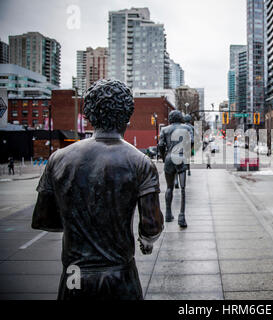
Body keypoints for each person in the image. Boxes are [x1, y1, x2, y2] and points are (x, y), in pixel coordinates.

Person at [32, 80, 164, 300]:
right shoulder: (141, 162)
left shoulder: (58, 159)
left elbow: (43, 219)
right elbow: (151, 226)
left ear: (89, 116)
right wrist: (146, 241)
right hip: (120, 274)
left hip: (74, 274)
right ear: (127, 116)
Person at [158, 110, 193, 228]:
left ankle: (168, 214)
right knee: (183, 189)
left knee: (169, 187)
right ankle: (181, 216)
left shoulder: (164, 129)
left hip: (169, 158)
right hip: (181, 157)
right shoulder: (187, 128)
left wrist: (164, 157)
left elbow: (161, 145)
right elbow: (192, 142)